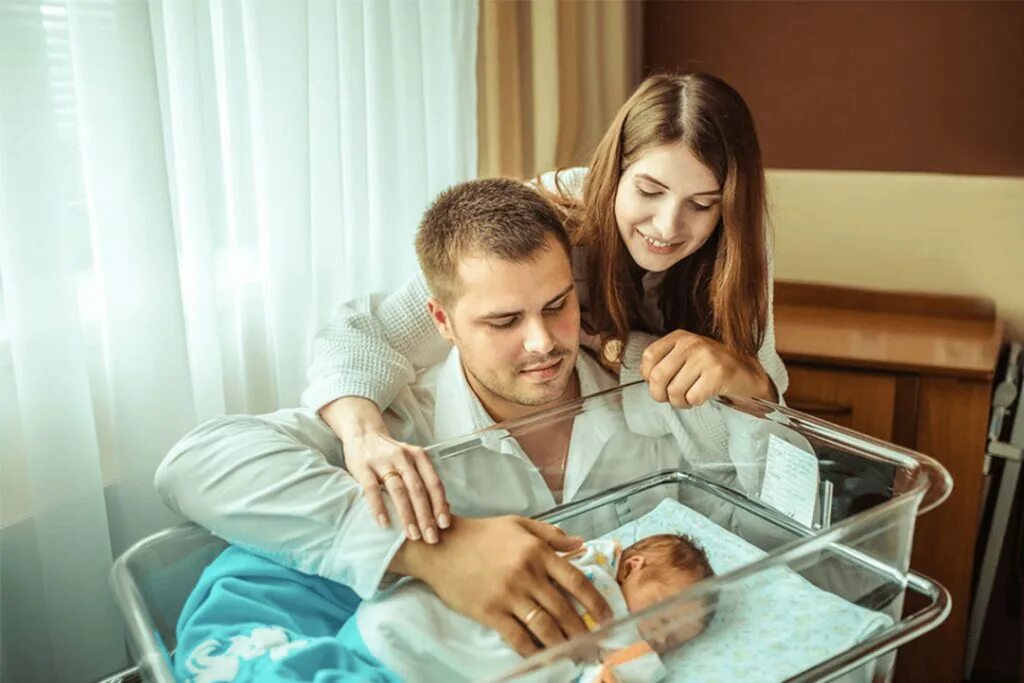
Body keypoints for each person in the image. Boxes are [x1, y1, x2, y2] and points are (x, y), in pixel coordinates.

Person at [159, 178, 735, 675]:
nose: (542, 343)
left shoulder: (643, 397)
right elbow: (192, 464)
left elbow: (758, 496)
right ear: (442, 320)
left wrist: (747, 384)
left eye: (557, 305)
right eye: (504, 320)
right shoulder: (405, 424)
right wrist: (434, 548)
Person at [303, 71, 790, 546]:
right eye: (648, 191)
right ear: (611, 173)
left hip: (661, 455)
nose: (667, 226)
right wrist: (364, 435)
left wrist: (747, 380)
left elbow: (771, 445)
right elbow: (365, 333)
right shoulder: (552, 213)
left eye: (702, 204)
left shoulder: (739, 248)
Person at [354, 533, 716, 682]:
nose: (658, 634)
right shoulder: (591, 573)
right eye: (663, 613)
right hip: (428, 626)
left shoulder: (624, 644)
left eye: (670, 641)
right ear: (633, 566)